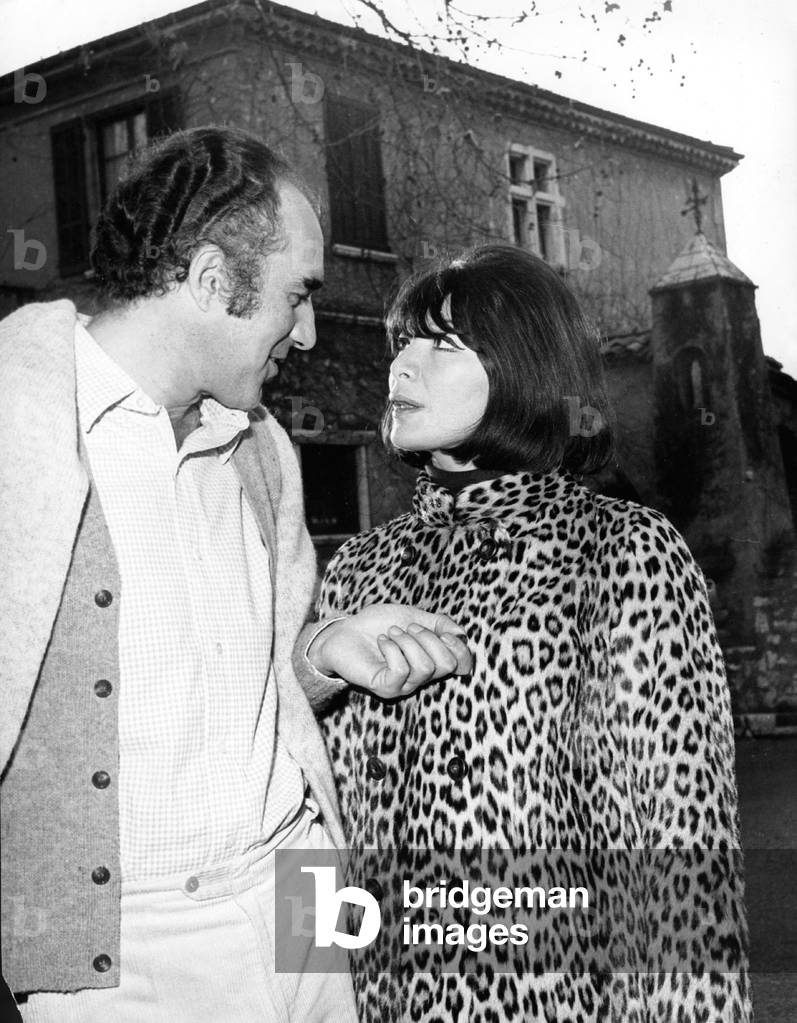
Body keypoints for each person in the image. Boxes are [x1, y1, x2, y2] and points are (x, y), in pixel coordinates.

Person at [0, 126, 471, 1023]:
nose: (305, 332)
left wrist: (323, 654)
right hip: (125, 956)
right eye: (297, 296)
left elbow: (238, 697)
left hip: (302, 883)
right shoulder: (18, 425)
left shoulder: (262, 452)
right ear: (214, 281)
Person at [317, 245, 752, 1021]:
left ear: (524, 368)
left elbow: (679, 862)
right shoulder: (356, 569)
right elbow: (316, 828)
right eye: (400, 344)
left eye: (441, 345)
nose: (399, 370)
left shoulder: (620, 551)